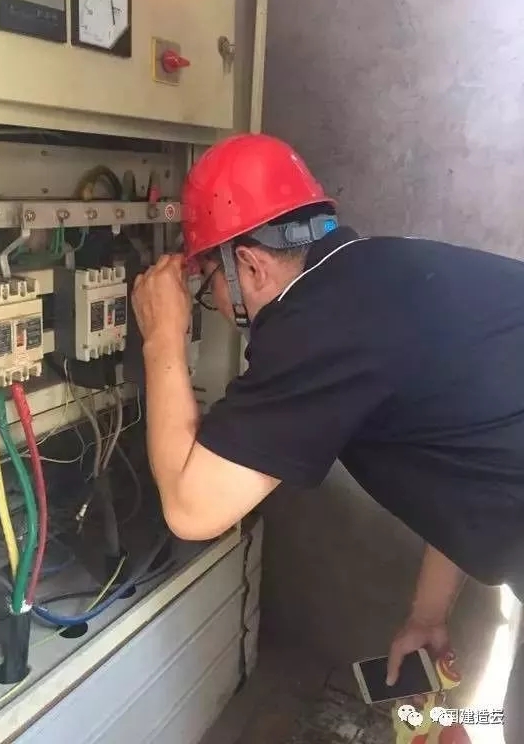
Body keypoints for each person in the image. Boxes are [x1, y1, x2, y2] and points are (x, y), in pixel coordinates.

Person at [131, 133, 524, 741]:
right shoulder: (379, 271)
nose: (212, 306)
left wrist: (162, 335)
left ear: (250, 265)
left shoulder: (318, 326)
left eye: (208, 289)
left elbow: (190, 509)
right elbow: (461, 451)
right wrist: (428, 614)